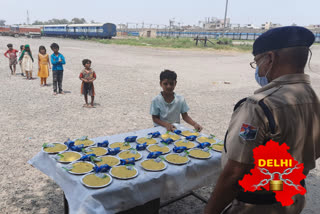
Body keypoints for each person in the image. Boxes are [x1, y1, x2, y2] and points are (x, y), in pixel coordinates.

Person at [204, 26, 320, 214]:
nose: (257, 68)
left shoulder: (259, 106)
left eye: (257, 62)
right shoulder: (312, 98)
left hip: (257, 206)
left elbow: (234, 174)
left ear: (270, 58)